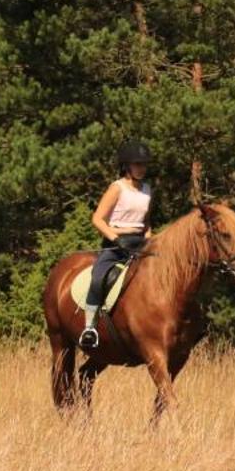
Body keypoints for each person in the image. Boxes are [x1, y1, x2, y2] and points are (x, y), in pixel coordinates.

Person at [80, 140, 155, 349]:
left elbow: (146, 221)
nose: (141, 168)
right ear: (127, 166)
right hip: (116, 242)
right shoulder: (117, 187)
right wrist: (115, 239)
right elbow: (97, 219)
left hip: (140, 242)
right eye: (137, 164)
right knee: (98, 277)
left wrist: (149, 239)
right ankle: (89, 328)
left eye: (144, 164)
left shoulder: (148, 190)